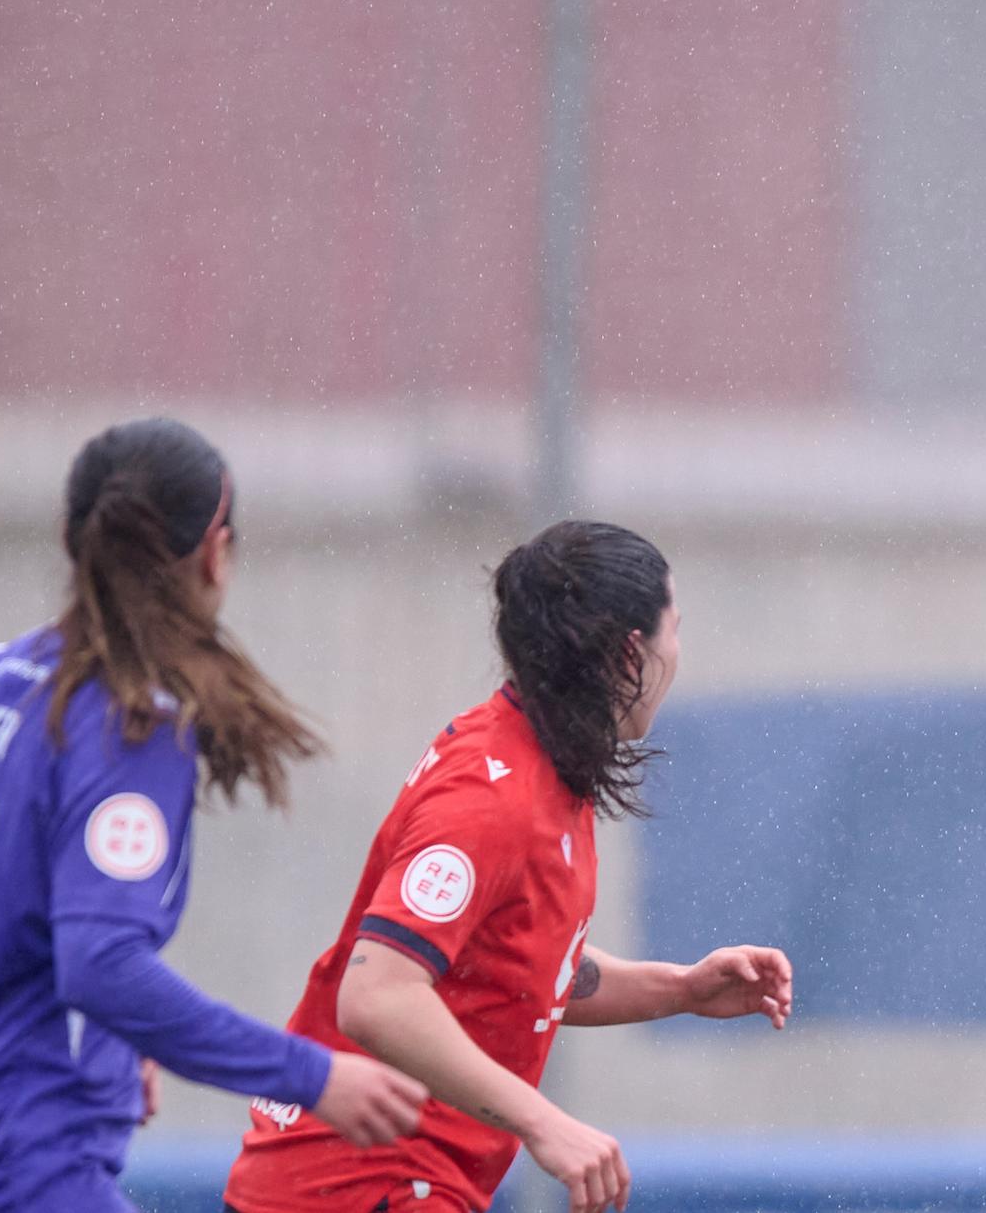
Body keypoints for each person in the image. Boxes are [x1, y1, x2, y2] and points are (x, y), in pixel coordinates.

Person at [0, 417, 428, 1211]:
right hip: (20, 1175)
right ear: (215, 551)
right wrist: (311, 1075)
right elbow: (101, 962)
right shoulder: (127, 722)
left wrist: (105, 1033)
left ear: (70, 538)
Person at [227, 520, 796, 1213]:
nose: (680, 654)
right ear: (630, 653)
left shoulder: (547, 764)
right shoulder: (491, 797)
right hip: (356, 1188)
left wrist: (677, 989)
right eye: (675, 629)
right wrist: (542, 1120)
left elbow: (509, 972)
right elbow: (378, 996)